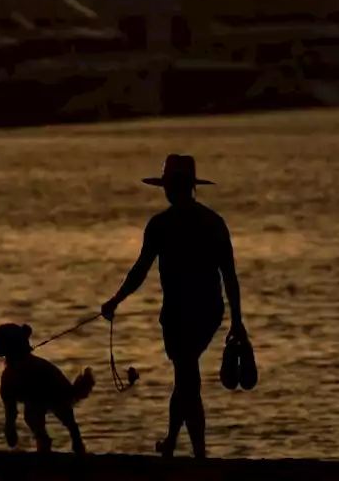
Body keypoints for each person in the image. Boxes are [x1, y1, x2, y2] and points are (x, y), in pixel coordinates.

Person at [101, 154, 246, 459]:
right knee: (185, 376)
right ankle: (174, 443)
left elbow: (140, 270)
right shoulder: (212, 222)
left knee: (186, 375)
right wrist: (236, 320)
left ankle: (196, 453)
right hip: (208, 311)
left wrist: (116, 300)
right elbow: (229, 276)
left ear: (168, 188)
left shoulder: (161, 225)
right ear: (192, 187)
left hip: (181, 313)